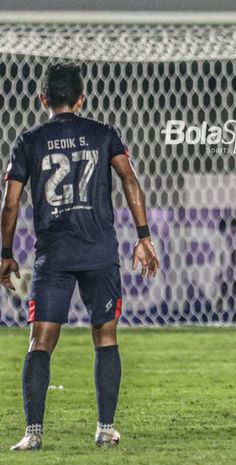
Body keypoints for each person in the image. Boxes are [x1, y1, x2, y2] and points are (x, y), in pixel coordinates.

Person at [1, 63, 160, 451]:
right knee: (105, 336)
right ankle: (105, 428)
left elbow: (11, 202)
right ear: (81, 98)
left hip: (53, 254)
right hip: (98, 251)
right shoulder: (103, 134)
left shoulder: (29, 140)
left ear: (43, 100)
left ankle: (33, 434)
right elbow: (129, 179)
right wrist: (143, 236)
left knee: (40, 341)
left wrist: (5, 253)